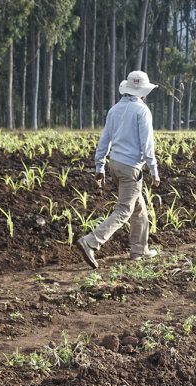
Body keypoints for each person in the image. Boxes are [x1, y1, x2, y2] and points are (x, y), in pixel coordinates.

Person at [77, 70, 161, 269]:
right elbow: (147, 144)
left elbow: (104, 139)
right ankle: (91, 242)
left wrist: (100, 167)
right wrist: (154, 170)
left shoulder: (114, 109)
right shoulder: (142, 111)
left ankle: (140, 249)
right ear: (142, 91)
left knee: (138, 207)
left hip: (115, 164)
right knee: (124, 210)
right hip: (131, 168)